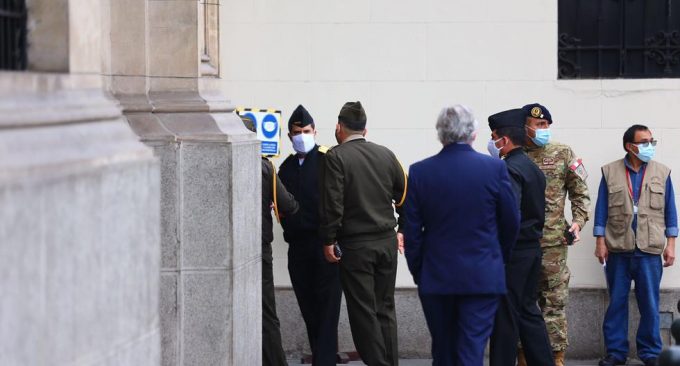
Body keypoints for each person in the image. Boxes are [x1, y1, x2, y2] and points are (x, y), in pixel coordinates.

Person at [403, 105, 520, 366]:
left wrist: (419, 271)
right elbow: (511, 222)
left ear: (440, 134)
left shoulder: (421, 171)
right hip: (482, 275)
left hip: (436, 276)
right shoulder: (494, 169)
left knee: (443, 352)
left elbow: (411, 231)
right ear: (474, 134)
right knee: (471, 350)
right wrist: (497, 258)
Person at [319, 101, 406, 366]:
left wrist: (328, 240)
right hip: (386, 242)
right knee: (385, 309)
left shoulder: (335, 157)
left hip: (356, 246)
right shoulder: (386, 154)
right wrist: (402, 229)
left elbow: (333, 204)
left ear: (339, 127)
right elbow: (404, 195)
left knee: (363, 313)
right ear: (365, 129)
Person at [593, 124, 677, 366]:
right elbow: (601, 209)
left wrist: (671, 245)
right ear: (630, 146)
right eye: (644, 142)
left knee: (650, 305)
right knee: (616, 302)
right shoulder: (610, 172)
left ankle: (650, 353)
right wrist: (600, 241)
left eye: (652, 141)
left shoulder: (662, 172)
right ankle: (616, 353)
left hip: (649, 251)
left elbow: (671, 211)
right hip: (618, 248)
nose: (650, 146)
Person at [521, 103, 591, 366]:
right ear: (524, 127)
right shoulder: (513, 155)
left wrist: (578, 221)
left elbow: (580, 191)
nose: (544, 129)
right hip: (522, 245)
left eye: (547, 125)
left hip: (554, 245)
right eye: (539, 125)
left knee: (554, 306)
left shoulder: (562, 153)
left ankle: (556, 358)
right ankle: (523, 357)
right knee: (522, 304)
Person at [486, 109, 554, 366]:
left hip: (511, 253)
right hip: (531, 250)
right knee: (527, 312)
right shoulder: (531, 167)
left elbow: (508, 215)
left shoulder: (509, 169)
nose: (492, 142)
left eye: (494, 137)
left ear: (504, 139)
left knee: (505, 316)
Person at [278, 105, 342, 365]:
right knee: (309, 309)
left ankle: (324, 360)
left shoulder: (329, 160)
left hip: (325, 245)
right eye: (297, 132)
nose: (302, 135)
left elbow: (339, 200)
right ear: (289, 135)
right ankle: (321, 356)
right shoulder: (286, 167)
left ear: (315, 131)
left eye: (306, 130)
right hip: (299, 247)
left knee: (327, 311)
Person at [242, 115, 300, 366]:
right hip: (258, 245)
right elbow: (288, 205)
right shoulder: (264, 167)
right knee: (266, 311)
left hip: (227, 248)